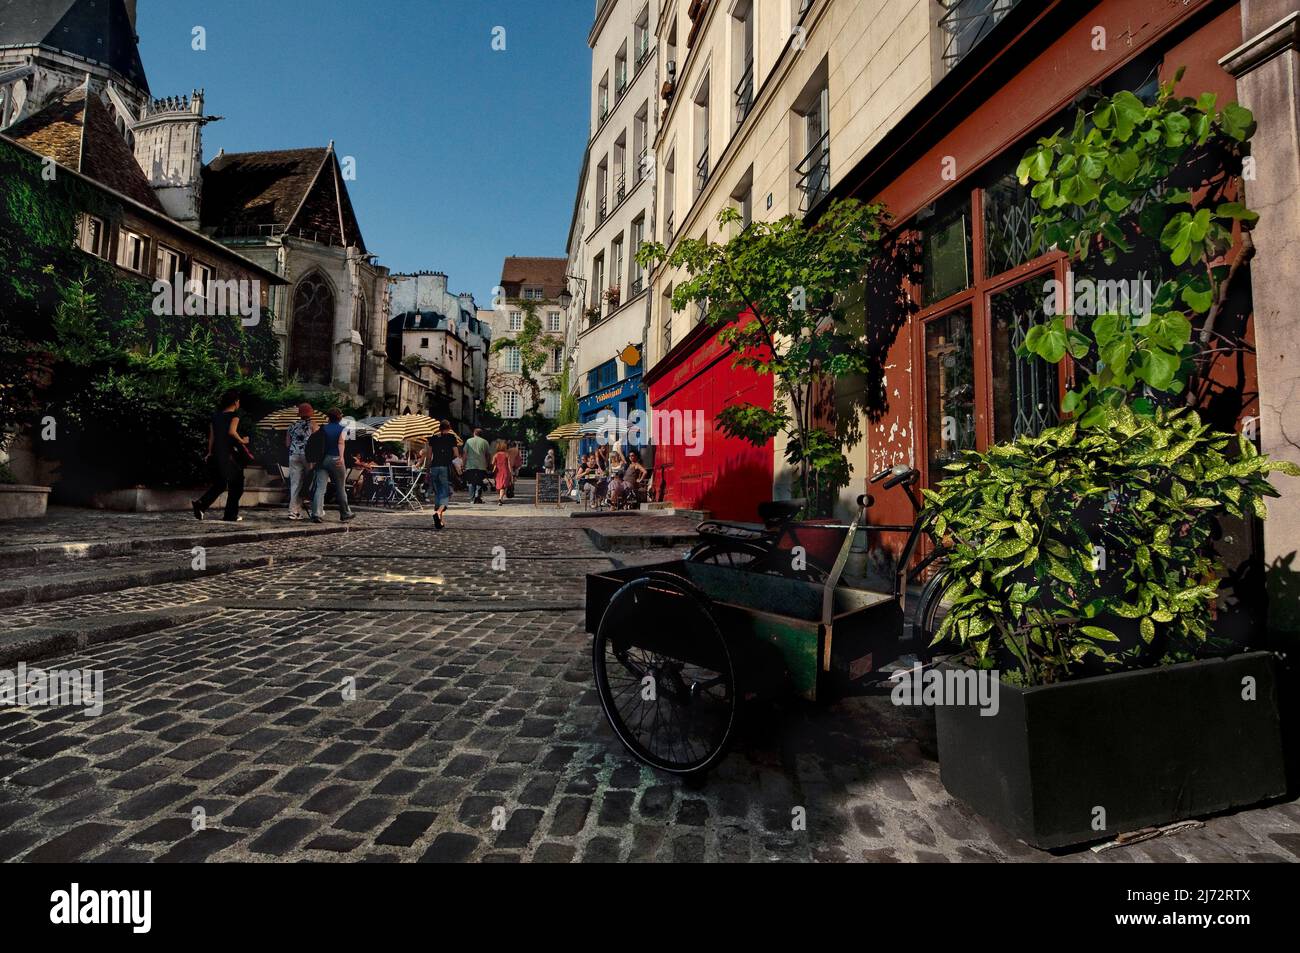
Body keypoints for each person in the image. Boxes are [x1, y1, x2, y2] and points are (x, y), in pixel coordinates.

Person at [193, 390, 248, 522]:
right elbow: (232, 432)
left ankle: (201, 504)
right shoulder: (234, 415)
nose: (239, 403)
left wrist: (210, 453)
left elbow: (211, 437)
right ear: (235, 402)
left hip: (218, 453)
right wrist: (243, 441)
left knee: (220, 483)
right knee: (237, 485)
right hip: (230, 454)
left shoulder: (215, 416)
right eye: (238, 400)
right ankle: (230, 515)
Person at [310, 408, 355, 524]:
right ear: (340, 417)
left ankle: (316, 514)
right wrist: (341, 457)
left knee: (320, 488)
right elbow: (341, 443)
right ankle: (345, 513)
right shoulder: (342, 429)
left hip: (322, 460)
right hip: (335, 458)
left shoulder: (322, 428)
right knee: (340, 487)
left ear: (328, 417)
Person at [424, 419, 459, 530]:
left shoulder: (433, 439)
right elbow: (456, 454)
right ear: (448, 428)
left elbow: (429, 456)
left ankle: (440, 520)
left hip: (434, 467)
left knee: (438, 492)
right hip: (445, 467)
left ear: (439, 428)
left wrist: (427, 469)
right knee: (446, 493)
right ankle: (438, 513)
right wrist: (449, 459)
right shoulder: (451, 438)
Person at [284, 403, 316, 520]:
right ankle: (314, 510)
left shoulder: (291, 425)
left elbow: (287, 444)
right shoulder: (313, 425)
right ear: (310, 413)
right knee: (309, 483)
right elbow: (316, 442)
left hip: (293, 455)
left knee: (295, 484)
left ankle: (293, 512)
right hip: (308, 456)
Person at [463, 427, 490, 504]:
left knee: (471, 482)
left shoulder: (468, 441)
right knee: (479, 481)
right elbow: (488, 455)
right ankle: (478, 497)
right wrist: (488, 464)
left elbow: (465, 454)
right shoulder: (485, 442)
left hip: (470, 465)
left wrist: (463, 464)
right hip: (481, 465)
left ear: (474, 433)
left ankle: (472, 499)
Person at [492, 439, 513, 506]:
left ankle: (500, 498)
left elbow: (492, 463)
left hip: (497, 472)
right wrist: (511, 473)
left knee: (499, 486)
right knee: (503, 486)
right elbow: (509, 465)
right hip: (505, 472)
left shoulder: (496, 455)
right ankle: (500, 498)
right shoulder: (507, 455)